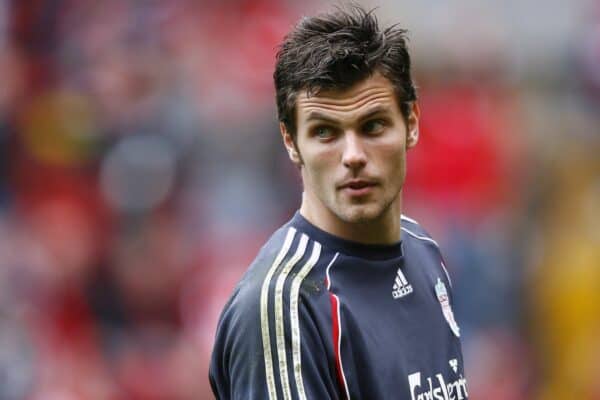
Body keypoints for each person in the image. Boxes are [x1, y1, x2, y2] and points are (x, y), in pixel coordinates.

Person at [209, 6, 468, 400]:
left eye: (373, 126)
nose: (353, 155)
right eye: (325, 132)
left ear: (412, 122)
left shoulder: (425, 251)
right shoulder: (285, 306)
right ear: (291, 142)